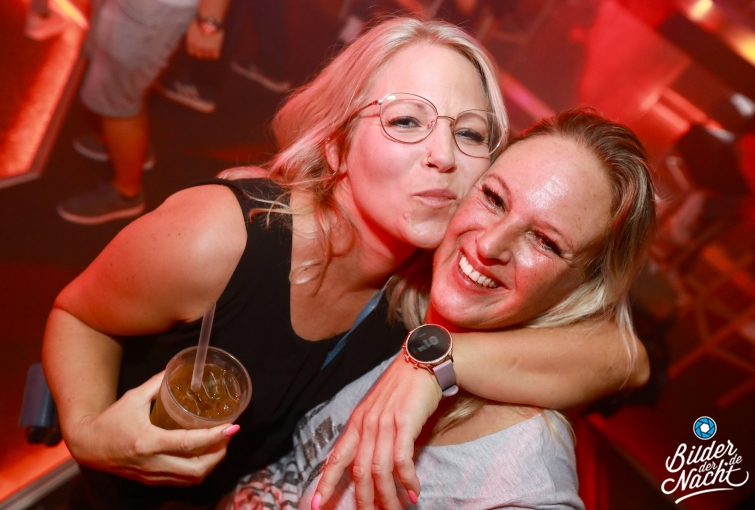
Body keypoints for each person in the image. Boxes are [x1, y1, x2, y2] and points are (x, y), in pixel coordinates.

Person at [43, 18, 645, 510]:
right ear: (336, 142)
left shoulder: (433, 285)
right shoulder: (219, 237)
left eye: (469, 134)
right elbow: (78, 314)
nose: (442, 154)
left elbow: (628, 359)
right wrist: (88, 433)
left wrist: (436, 365)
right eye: (406, 121)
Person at [224, 109, 656, 510]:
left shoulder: (522, 482)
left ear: (582, 289)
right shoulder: (408, 290)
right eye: (494, 198)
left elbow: (631, 360)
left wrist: (435, 362)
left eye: (545, 241)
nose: (489, 245)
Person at [56, 0, 231, 225]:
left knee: (118, 98)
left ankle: (126, 193)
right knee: (120, 82)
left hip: (155, 8)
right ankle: (127, 150)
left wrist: (209, 22)